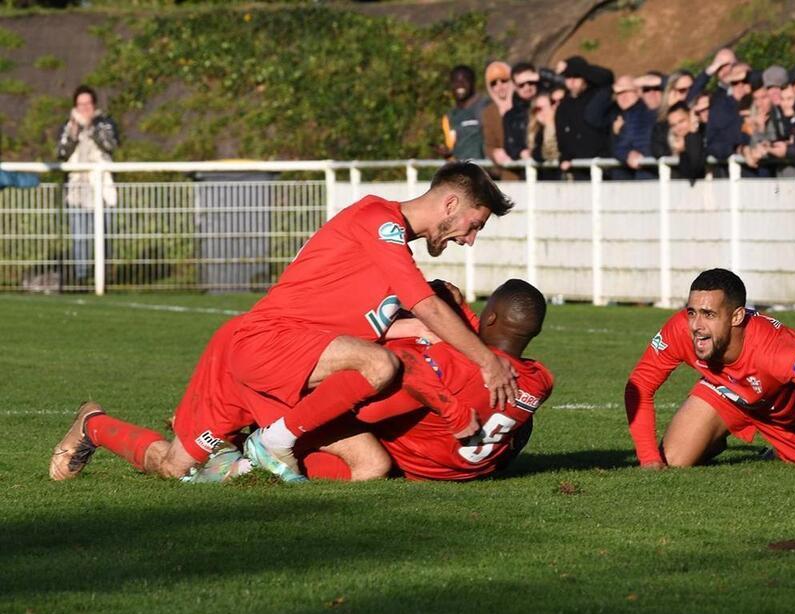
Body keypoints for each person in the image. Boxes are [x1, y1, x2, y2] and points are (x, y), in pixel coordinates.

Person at [50, 163, 518, 484]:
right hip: (259, 349)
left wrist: (423, 333)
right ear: (452, 204)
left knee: (368, 465)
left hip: (298, 369)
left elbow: (366, 322)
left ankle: (96, 424)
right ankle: (268, 445)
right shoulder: (381, 223)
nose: (470, 239)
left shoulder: (391, 246)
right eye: (474, 224)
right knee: (379, 367)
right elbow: (423, 303)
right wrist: (486, 363)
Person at [624, 268, 795, 470]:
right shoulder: (682, 330)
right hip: (730, 393)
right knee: (673, 460)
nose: (696, 325)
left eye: (709, 314)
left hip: (794, 425)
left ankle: (775, 450)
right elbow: (640, 384)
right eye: (691, 312)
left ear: (737, 316)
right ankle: (712, 438)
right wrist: (649, 459)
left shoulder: (777, 352)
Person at [301, 279, 554, 482]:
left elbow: (407, 362)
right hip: (469, 471)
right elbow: (492, 346)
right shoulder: (541, 380)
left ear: (491, 318)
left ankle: (284, 441)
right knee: (524, 420)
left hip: (416, 464)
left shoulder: (454, 361)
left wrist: (451, 410)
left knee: (368, 381)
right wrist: (462, 309)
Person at [56, 85, 119, 283]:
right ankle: (81, 277)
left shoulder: (105, 123)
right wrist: (74, 131)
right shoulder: (68, 126)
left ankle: (104, 278)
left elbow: (110, 145)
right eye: (80, 104)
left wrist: (92, 127)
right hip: (77, 190)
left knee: (104, 236)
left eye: (87, 104)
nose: (84, 108)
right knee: (80, 237)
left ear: (94, 104)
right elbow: (62, 152)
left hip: (102, 190)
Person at [555, 55, 614, 180]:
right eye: (568, 77)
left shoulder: (596, 96)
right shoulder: (563, 107)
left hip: (602, 168)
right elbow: (562, 139)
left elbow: (608, 77)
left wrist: (582, 68)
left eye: (576, 76)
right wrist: (565, 157)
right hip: (578, 170)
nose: (572, 81)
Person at [609, 75, 657, 180]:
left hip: (652, 173)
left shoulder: (649, 111)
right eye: (618, 94)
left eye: (626, 92)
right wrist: (628, 154)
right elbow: (619, 147)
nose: (622, 97)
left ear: (638, 92)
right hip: (635, 178)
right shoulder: (620, 116)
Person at [440, 65, 488, 161]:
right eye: (455, 81)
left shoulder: (486, 107)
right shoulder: (449, 117)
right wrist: (447, 154)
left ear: (473, 82)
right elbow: (451, 150)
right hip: (461, 173)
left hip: (485, 172)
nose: (460, 84)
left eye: (464, 80)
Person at [649, 101, 705, 182]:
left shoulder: (704, 134)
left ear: (691, 117)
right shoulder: (671, 144)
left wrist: (691, 138)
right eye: (673, 125)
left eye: (681, 121)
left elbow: (694, 168)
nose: (678, 128)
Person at [480, 61, 516, 180]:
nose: (499, 86)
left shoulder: (524, 105)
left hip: (533, 173)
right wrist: (495, 153)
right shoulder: (489, 113)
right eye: (494, 83)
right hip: (508, 175)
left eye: (504, 80)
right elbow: (489, 145)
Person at [503, 62, 540, 165]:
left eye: (530, 82)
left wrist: (541, 75)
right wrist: (521, 152)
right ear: (515, 86)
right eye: (521, 84)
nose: (527, 87)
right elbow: (509, 146)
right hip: (525, 171)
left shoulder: (551, 104)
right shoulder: (510, 116)